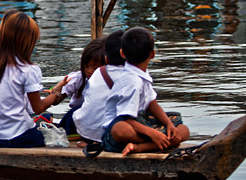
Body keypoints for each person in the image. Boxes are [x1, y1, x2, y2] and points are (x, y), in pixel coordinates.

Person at [0, 11, 65, 148]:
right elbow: (38, 108)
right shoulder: (28, 70)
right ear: (28, 42)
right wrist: (57, 94)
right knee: (58, 128)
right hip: (20, 137)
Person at [101, 28, 190, 156]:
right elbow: (125, 118)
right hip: (118, 131)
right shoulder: (132, 82)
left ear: (122, 53)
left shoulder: (142, 74)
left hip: (142, 122)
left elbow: (151, 103)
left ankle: (149, 144)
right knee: (120, 129)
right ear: (152, 54)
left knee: (183, 130)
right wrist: (153, 133)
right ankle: (152, 144)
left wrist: (168, 124)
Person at [73, 30, 125, 146]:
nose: (89, 71)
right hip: (109, 134)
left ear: (106, 59)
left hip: (86, 132)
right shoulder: (131, 76)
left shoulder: (98, 74)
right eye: (86, 67)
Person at [56, 37, 105, 138]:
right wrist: (56, 92)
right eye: (86, 66)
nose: (89, 71)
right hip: (78, 118)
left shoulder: (109, 80)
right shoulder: (78, 78)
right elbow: (59, 98)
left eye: (95, 68)